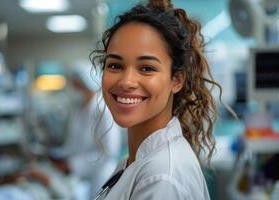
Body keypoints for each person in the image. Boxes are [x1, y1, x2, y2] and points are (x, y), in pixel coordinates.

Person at [90, 0, 229, 199]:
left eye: (147, 68)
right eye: (115, 65)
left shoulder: (162, 179)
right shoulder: (137, 160)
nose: (127, 81)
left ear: (177, 80)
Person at [48, 63, 121, 199]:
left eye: (77, 84)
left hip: (100, 175)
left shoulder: (103, 110)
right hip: (80, 175)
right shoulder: (79, 107)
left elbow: (109, 152)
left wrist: (73, 165)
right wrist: (59, 155)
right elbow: (74, 143)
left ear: (87, 83)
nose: (74, 88)